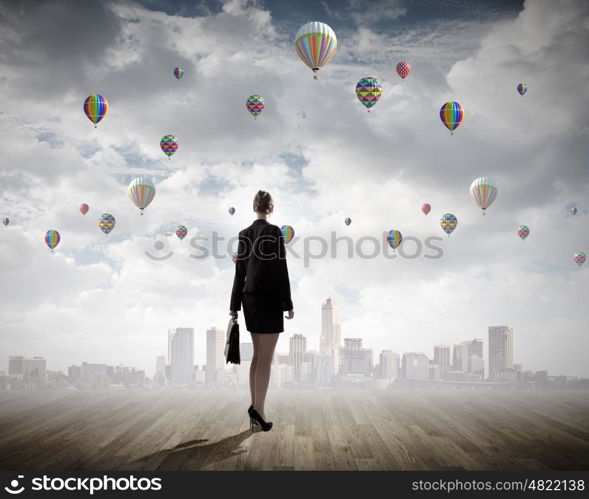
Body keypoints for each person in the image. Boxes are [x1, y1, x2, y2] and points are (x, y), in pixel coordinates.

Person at [230, 190, 294, 432]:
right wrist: (287, 303)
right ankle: (259, 410)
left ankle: (254, 407)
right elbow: (280, 269)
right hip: (268, 299)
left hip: (249, 299)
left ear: (253, 207)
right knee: (265, 359)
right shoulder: (274, 231)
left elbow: (239, 273)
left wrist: (233, 305)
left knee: (257, 356)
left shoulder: (244, 234)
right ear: (271, 208)